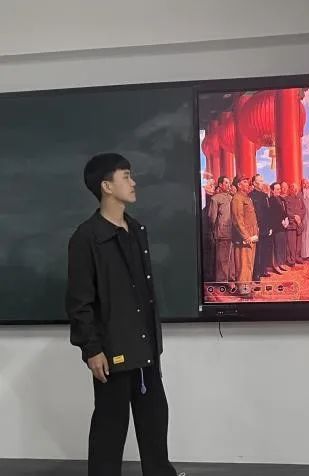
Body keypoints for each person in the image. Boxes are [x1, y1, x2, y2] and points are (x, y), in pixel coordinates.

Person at [66, 153, 179, 476]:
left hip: (146, 349)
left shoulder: (137, 230)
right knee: (109, 429)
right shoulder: (87, 238)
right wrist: (92, 349)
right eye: (126, 176)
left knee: (155, 423)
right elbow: (79, 302)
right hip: (112, 350)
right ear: (106, 186)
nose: (133, 183)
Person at [231, 176, 259, 297]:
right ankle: (243, 290)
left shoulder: (246, 197)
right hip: (244, 237)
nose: (247, 184)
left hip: (251, 236)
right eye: (244, 182)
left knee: (248, 264)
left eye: (248, 182)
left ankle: (246, 287)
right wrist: (246, 237)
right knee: (243, 264)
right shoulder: (237, 199)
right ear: (238, 185)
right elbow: (238, 220)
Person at [209, 176, 235, 282]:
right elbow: (212, 218)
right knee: (222, 258)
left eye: (229, 183)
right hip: (222, 232)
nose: (228, 185)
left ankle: (231, 278)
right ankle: (222, 280)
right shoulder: (215, 199)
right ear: (220, 185)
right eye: (226, 183)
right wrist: (215, 231)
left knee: (231, 258)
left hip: (232, 232)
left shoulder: (232, 197)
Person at [249, 174, 272, 280]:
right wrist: (256, 226)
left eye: (262, 180)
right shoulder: (250, 196)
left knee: (264, 249)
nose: (262, 182)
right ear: (254, 183)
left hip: (265, 226)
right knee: (257, 251)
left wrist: (270, 226)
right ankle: (256, 273)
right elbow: (252, 214)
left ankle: (263, 270)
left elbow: (268, 212)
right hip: (256, 227)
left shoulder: (265, 195)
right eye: (260, 181)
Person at [269, 182, 289, 274]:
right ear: (272, 191)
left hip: (283, 227)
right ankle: (275, 265)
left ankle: (281, 263)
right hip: (276, 227)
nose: (279, 191)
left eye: (279, 189)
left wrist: (286, 219)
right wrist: (281, 221)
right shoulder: (270, 200)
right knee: (276, 246)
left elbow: (284, 211)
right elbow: (272, 215)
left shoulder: (281, 199)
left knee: (281, 245)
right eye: (277, 189)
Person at [284, 182, 306, 266]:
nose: (295, 190)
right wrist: (294, 217)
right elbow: (286, 211)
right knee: (291, 244)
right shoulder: (286, 199)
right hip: (291, 224)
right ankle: (291, 260)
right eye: (293, 188)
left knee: (298, 243)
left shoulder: (300, 199)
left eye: (296, 188)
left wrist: (299, 218)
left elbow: (304, 210)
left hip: (299, 224)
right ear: (290, 189)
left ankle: (297, 257)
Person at [201, 176, 216, 282]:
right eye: (210, 184)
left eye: (213, 185)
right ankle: (206, 275)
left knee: (211, 253)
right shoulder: (202, 198)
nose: (212, 186)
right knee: (206, 253)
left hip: (211, 229)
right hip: (204, 229)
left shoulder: (213, 199)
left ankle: (210, 275)